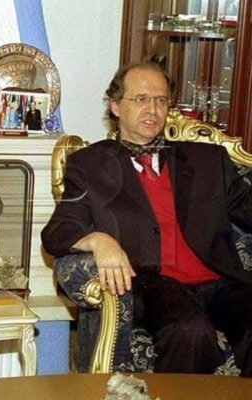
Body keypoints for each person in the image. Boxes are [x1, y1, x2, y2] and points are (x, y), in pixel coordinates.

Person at [42, 62, 252, 375]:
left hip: (218, 280)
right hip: (150, 284)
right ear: (115, 106)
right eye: (141, 99)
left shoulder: (209, 160)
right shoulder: (89, 165)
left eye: (161, 100)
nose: (152, 109)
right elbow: (58, 230)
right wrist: (98, 240)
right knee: (190, 331)